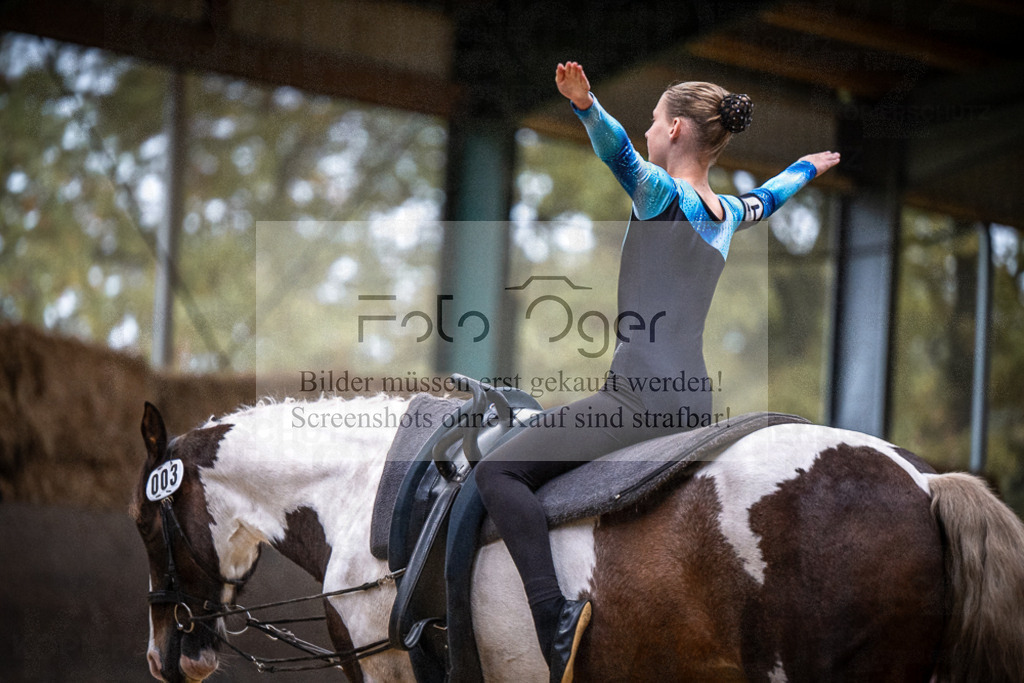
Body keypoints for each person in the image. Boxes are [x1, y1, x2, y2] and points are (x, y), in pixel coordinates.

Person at [470, 62, 840, 683]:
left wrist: (587, 107)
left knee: (496, 471)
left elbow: (618, 155)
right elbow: (772, 195)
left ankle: (554, 622)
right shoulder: (727, 213)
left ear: (673, 129)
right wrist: (806, 167)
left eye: (651, 121)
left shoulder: (661, 195)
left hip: (637, 398)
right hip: (693, 402)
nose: (644, 131)